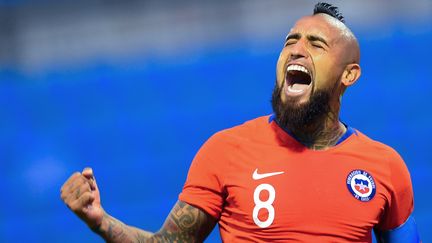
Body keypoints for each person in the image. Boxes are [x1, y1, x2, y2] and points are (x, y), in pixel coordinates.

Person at [60, 2, 421, 242]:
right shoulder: (226, 151)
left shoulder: (385, 168)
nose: (296, 50)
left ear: (349, 75)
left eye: (316, 44)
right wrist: (100, 220)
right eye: (290, 41)